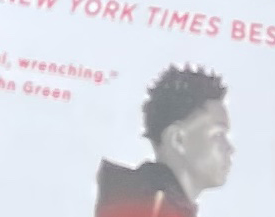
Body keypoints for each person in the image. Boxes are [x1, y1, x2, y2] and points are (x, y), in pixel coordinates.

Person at [95, 65, 234, 215]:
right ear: (177, 139)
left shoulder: (137, 201)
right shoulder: (150, 209)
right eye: (218, 135)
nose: (230, 148)